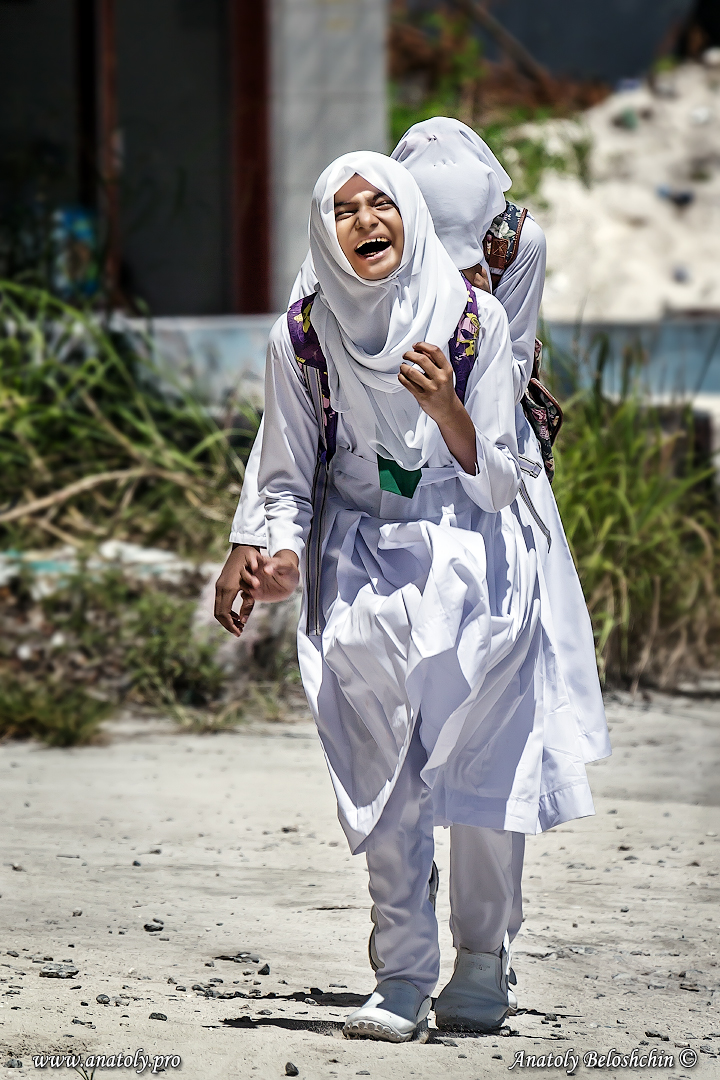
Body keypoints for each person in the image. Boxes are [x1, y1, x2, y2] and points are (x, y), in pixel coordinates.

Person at [215, 151, 603, 1041]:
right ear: (324, 230)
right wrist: (265, 547)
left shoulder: (475, 320)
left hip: (474, 563)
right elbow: (283, 469)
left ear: (412, 217)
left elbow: (504, 479)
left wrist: (449, 413)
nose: (362, 221)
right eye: (342, 209)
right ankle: (399, 973)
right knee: (382, 777)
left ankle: (478, 961)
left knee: (478, 770)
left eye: (378, 203)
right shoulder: (303, 334)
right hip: (360, 567)